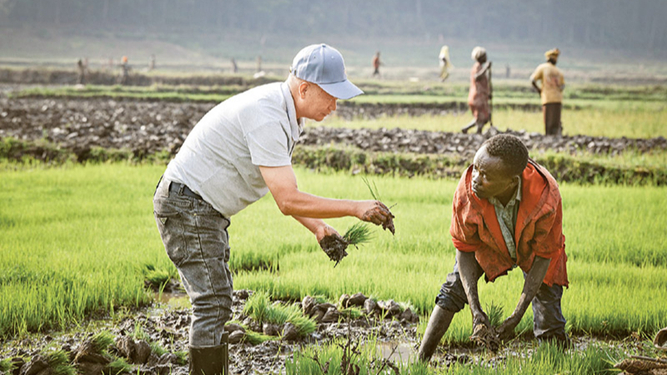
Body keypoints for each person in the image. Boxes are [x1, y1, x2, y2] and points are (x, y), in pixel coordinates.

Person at [153, 44, 395, 375]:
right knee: (212, 302)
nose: (335, 106)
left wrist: (318, 227)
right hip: (188, 205)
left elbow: (275, 183)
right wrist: (355, 208)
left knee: (216, 299)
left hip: (201, 208)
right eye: (331, 96)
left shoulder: (286, 114)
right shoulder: (267, 114)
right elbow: (287, 198)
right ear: (305, 88)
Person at [417, 134, 569, 362]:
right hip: (489, 242)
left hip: (533, 249)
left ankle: (556, 364)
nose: (476, 178)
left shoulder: (545, 197)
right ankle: (419, 361)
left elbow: (544, 255)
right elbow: (465, 248)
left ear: (511, 182)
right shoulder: (467, 191)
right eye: (476, 168)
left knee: (549, 315)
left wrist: (517, 316)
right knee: (453, 287)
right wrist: (475, 310)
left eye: (486, 175)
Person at [530, 48, 565, 136]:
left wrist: (539, 90)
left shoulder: (542, 67)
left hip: (547, 98)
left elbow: (533, 80)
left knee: (548, 121)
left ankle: (549, 138)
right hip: (558, 98)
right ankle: (555, 138)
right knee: (555, 121)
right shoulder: (558, 71)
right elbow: (563, 86)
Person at [462, 47, 492, 134]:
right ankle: (478, 132)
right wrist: (486, 68)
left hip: (480, 96)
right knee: (482, 117)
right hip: (477, 97)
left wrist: (488, 93)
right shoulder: (478, 67)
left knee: (481, 118)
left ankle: (467, 129)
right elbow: (477, 77)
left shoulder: (480, 67)